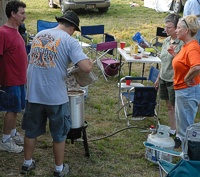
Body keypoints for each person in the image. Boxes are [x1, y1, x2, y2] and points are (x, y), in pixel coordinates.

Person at [20, 11, 93, 177]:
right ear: (72, 28)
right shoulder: (69, 40)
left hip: (33, 93)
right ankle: (59, 169)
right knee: (59, 134)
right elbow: (86, 67)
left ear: (60, 22)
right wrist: (90, 61)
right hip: (55, 96)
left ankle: (27, 163)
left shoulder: (39, 35)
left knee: (31, 131)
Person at [168, 15, 200, 149]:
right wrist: (175, 56)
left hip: (187, 91)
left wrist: (187, 78)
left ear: (186, 30)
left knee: (186, 127)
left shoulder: (192, 47)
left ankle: (188, 159)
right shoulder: (186, 46)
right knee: (182, 125)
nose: (176, 30)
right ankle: (185, 153)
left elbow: (197, 66)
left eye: (179, 28)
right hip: (182, 90)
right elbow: (186, 64)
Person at [0, 0, 27, 153]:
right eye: (22, 13)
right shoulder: (2, 33)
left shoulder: (16, 30)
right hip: (10, 80)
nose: (25, 16)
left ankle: (12, 133)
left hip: (20, 79)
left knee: (16, 108)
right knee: (11, 109)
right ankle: (4, 140)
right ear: (12, 14)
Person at [154, 13, 184, 147]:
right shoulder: (166, 41)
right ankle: (172, 130)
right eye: (165, 27)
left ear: (177, 27)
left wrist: (174, 54)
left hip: (175, 80)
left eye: (169, 28)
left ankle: (179, 135)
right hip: (164, 77)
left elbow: (184, 62)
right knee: (169, 106)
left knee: (175, 107)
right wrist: (158, 77)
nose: (166, 30)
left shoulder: (182, 43)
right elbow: (164, 62)